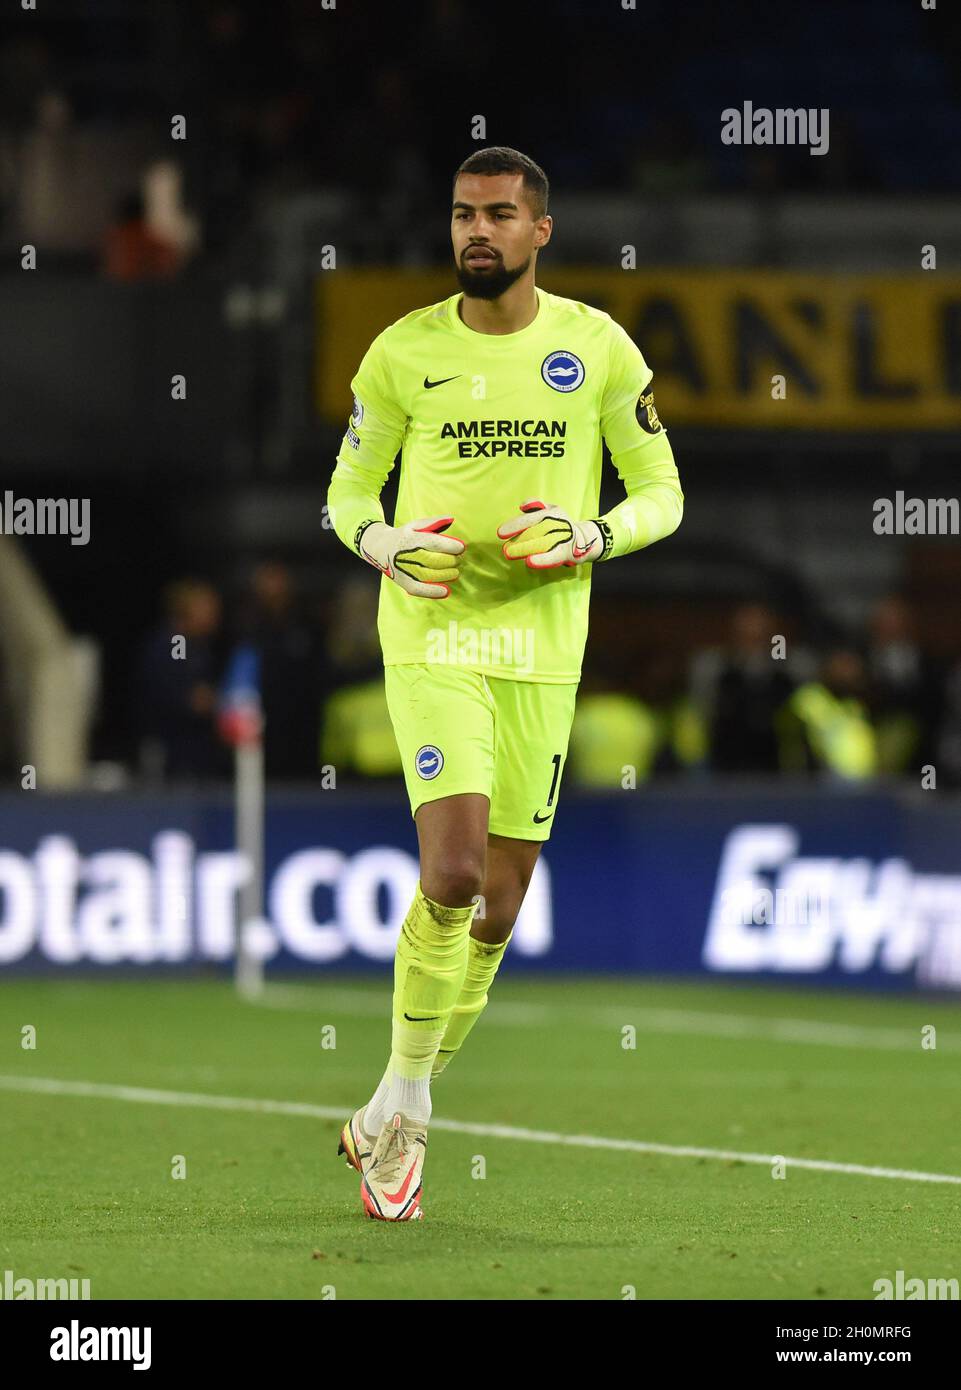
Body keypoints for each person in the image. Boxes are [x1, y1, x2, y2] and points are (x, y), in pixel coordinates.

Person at [326, 146, 684, 1221]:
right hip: (434, 637)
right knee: (455, 867)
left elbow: (662, 491)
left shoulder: (596, 349)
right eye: (460, 215)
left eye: (496, 215)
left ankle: (395, 1103)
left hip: (543, 649)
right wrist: (383, 539)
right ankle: (410, 1131)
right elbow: (345, 493)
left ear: (539, 231)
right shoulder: (401, 353)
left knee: (502, 903)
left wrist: (593, 531)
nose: (474, 231)